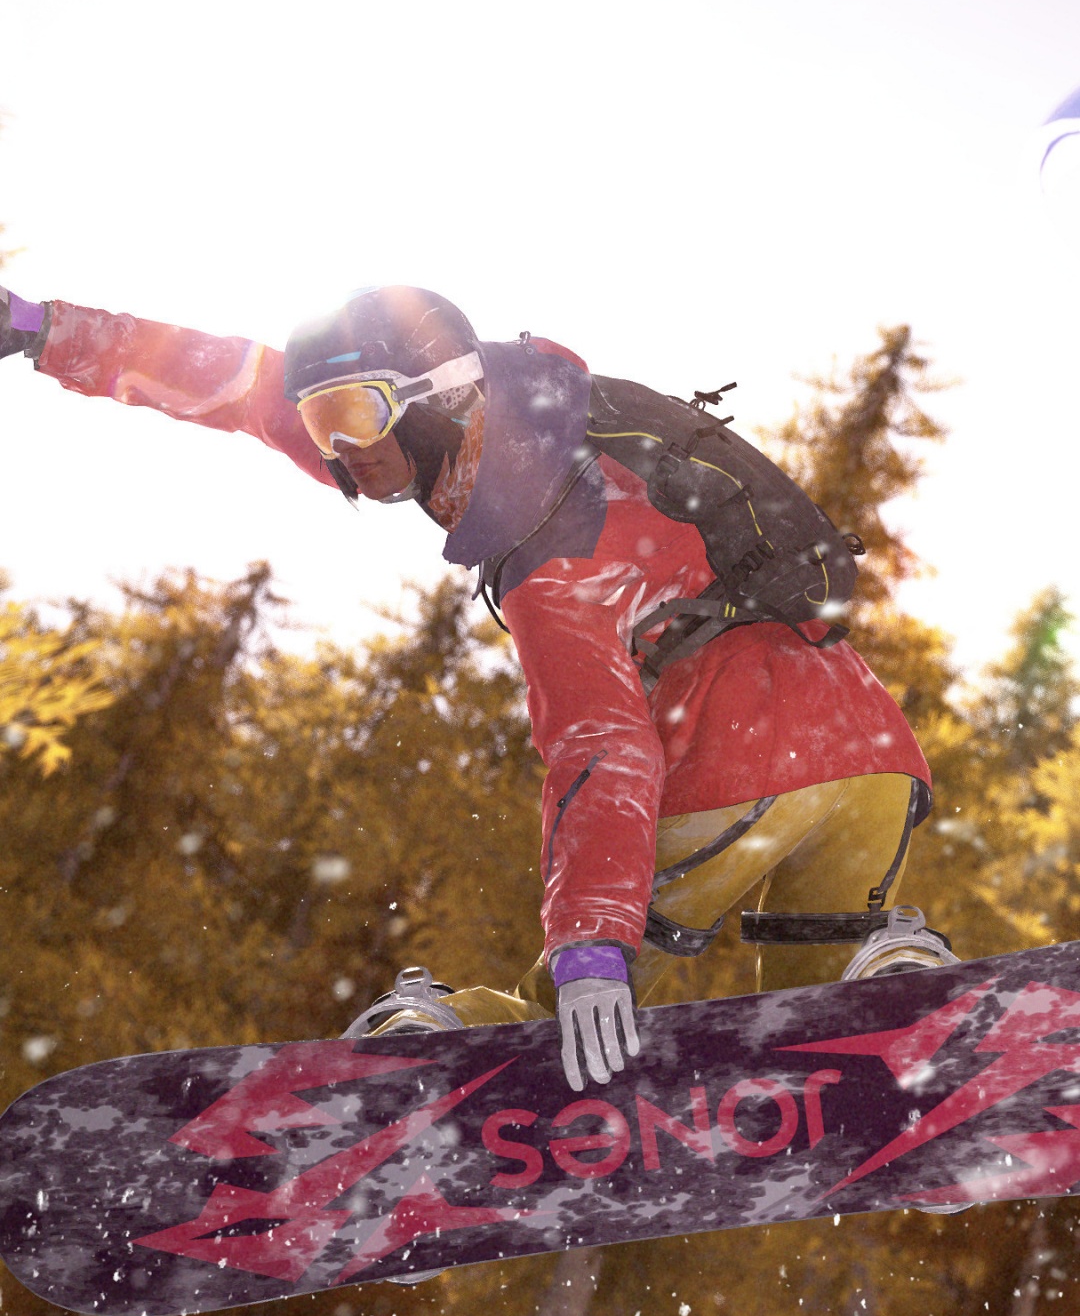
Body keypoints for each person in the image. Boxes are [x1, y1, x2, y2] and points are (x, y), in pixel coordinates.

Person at [0, 282, 937, 1091]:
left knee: (573, 1014)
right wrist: (44, 330)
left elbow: (601, 749)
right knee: (818, 1023)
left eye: (356, 416)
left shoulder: (552, 541)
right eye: (325, 420)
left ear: (440, 400)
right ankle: (886, 975)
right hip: (868, 753)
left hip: (737, 760)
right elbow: (244, 387)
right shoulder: (488, 421)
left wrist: (590, 945)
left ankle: (438, 1044)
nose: (341, 448)